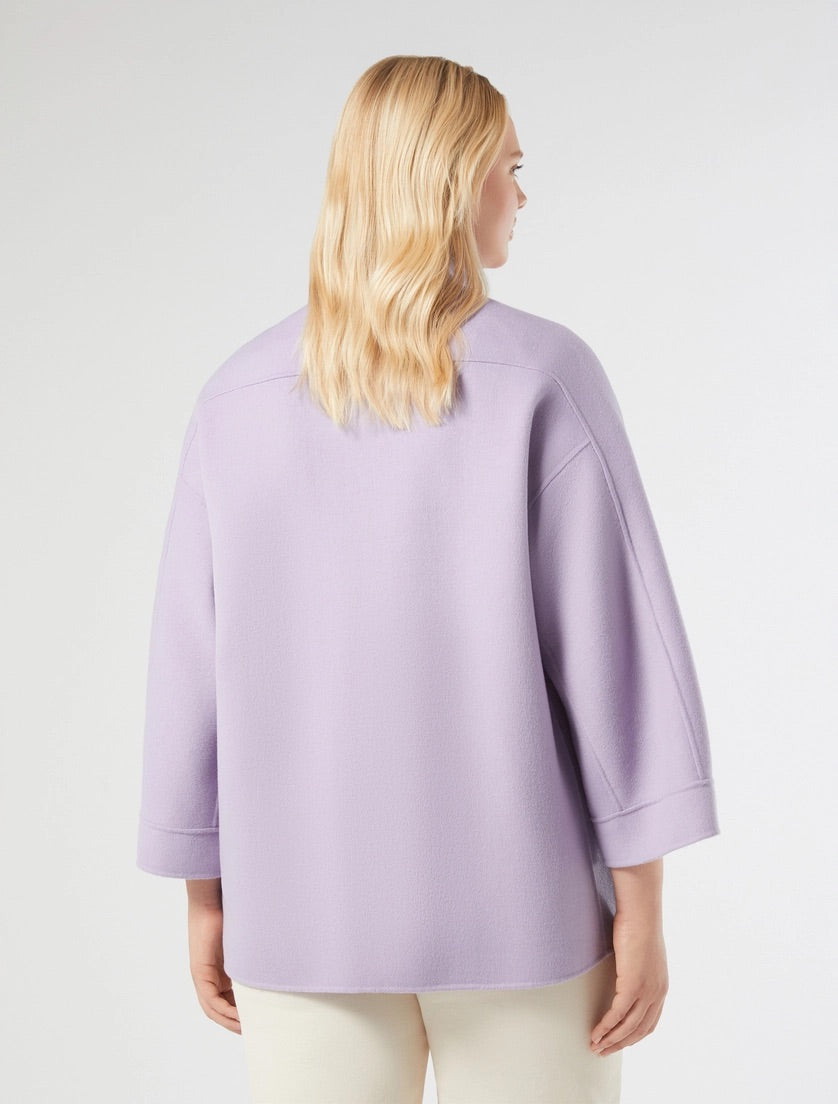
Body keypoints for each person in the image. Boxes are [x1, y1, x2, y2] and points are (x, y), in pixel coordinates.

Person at [136, 54, 721, 1103]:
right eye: (510, 168)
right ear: (453, 180)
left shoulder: (234, 398)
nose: (521, 197)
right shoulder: (541, 375)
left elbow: (191, 673)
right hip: (525, 916)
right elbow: (615, 651)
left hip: (299, 912)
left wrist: (204, 892)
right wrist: (643, 901)